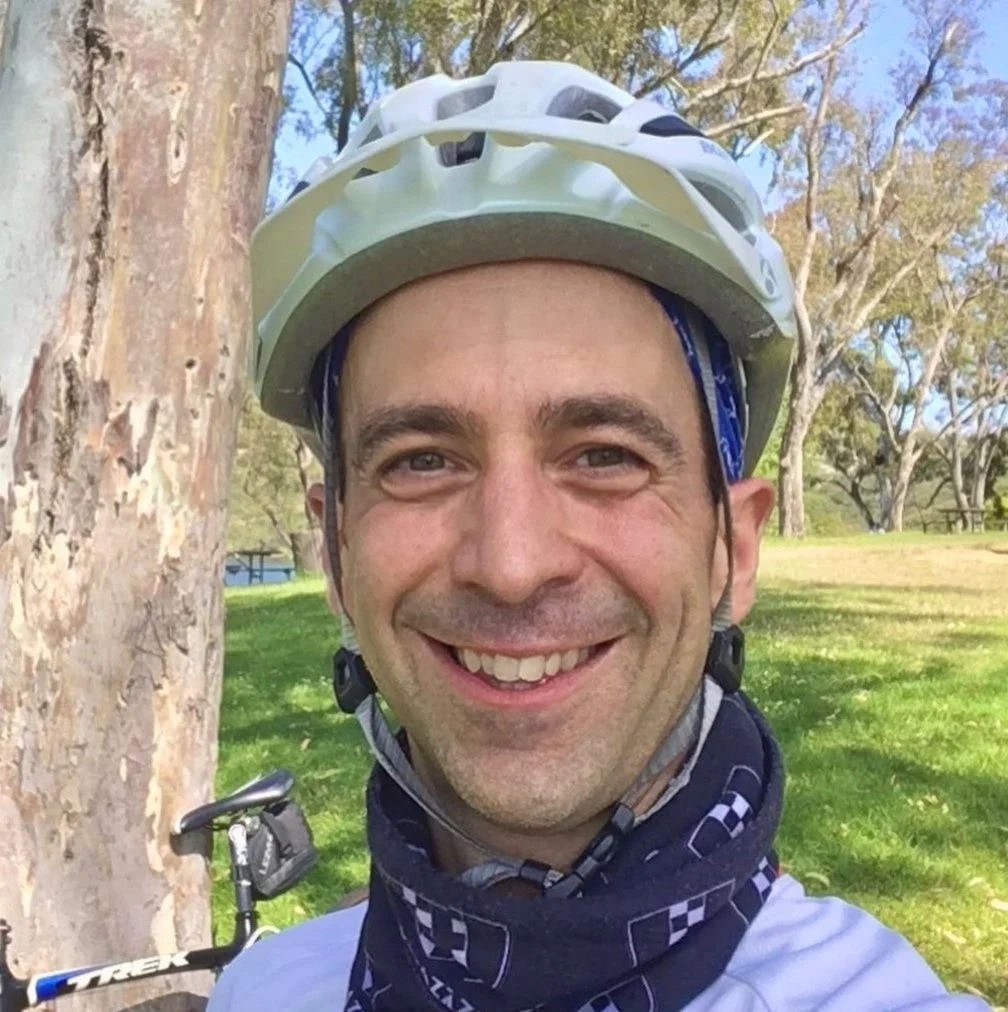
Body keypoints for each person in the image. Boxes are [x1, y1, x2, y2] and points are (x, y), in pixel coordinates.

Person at [209, 62, 987, 1012]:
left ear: (733, 550)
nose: (512, 562)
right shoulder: (266, 992)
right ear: (333, 549)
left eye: (605, 455)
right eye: (421, 460)